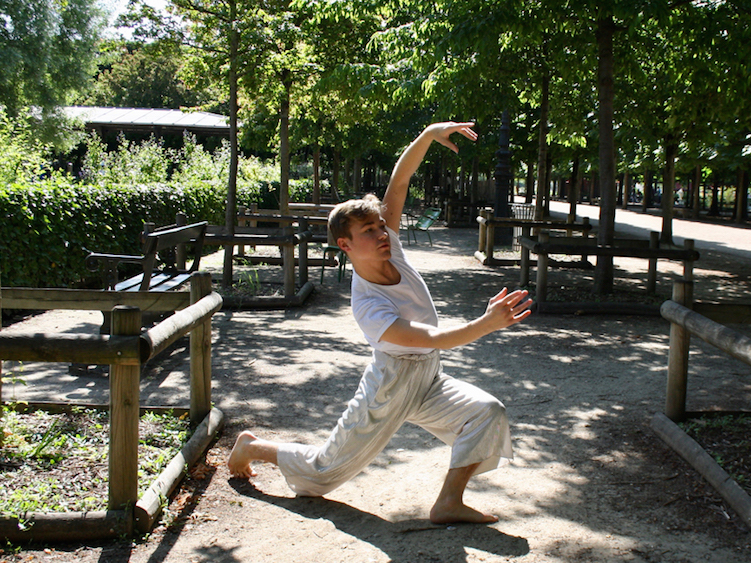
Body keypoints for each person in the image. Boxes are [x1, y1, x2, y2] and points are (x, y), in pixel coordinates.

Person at [227, 121, 533, 524]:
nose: (382, 233)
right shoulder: (367, 306)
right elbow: (432, 338)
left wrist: (426, 134)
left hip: (428, 379)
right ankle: (253, 446)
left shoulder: (393, 250)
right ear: (346, 245)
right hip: (388, 389)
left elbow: (400, 181)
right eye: (369, 231)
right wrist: (487, 322)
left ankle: (448, 503)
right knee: (322, 474)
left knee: (487, 412)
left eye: (381, 226)